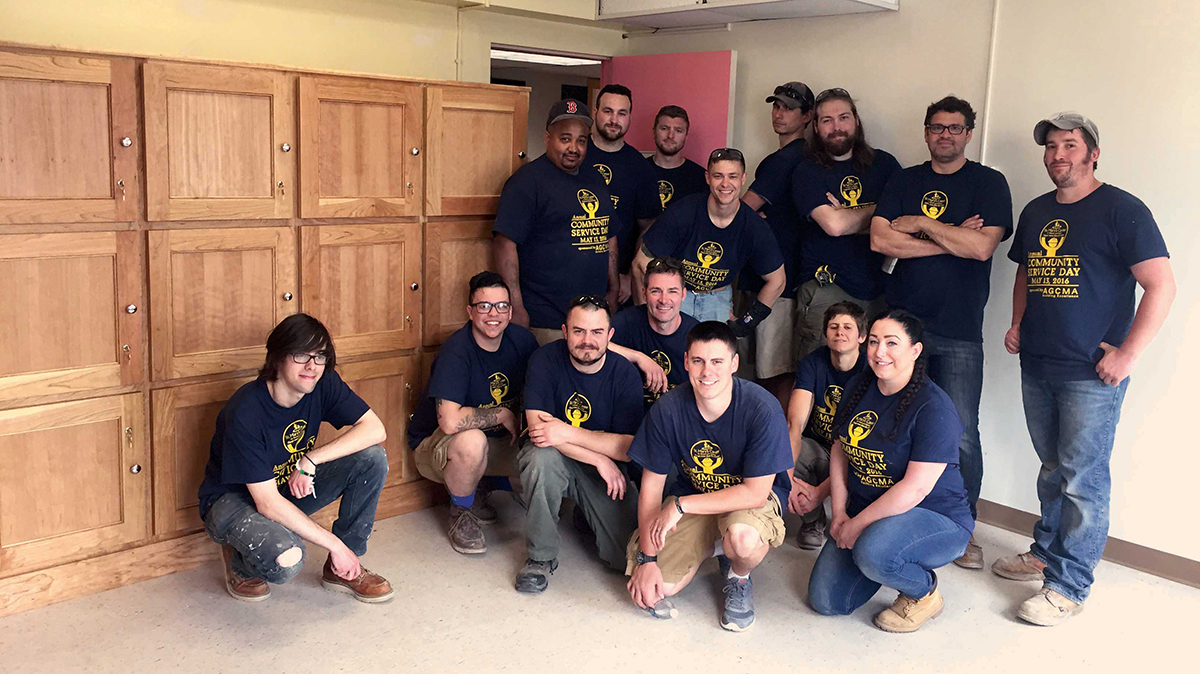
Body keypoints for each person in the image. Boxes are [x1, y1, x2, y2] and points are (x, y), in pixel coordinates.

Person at [997, 112, 1174, 626]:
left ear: (1092, 153)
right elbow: (1028, 272)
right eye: (1051, 146)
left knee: (1082, 480)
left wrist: (1128, 353)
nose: (1058, 155)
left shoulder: (1122, 210)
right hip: (1039, 364)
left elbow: (1162, 285)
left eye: (1069, 145)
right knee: (1053, 468)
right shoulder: (1035, 211)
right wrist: (1017, 322)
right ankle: (1045, 552)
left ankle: (1068, 585)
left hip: (1092, 374)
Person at [869, 95, 1014, 570]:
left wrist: (924, 225)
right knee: (893, 426)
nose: (945, 134)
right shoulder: (904, 179)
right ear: (926, 130)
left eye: (955, 128)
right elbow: (880, 238)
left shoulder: (989, 183)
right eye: (937, 126)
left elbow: (982, 248)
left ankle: (962, 529)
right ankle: (895, 517)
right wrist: (952, 237)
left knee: (961, 434)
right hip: (900, 330)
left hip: (958, 331)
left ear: (969, 133)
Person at [197, 314, 393, 603]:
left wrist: (310, 460)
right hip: (233, 502)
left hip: (283, 488)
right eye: (301, 355)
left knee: (372, 458)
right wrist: (334, 544)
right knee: (287, 558)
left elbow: (375, 430)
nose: (312, 366)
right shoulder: (246, 411)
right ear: (277, 357)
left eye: (320, 356)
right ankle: (241, 561)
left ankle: (343, 569)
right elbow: (266, 503)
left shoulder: (323, 383)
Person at [807, 310, 972, 633]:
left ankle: (923, 592)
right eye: (874, 342)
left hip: (934, 515)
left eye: (892, 343)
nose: (879, 352)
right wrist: (839, 513)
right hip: (868, 508)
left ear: (915, 351)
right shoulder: (859, 387)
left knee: (873, 551)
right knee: (827, 602)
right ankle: (883, 553)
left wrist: (857, 526)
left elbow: (914, 489)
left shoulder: (933, 407)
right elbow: (840, 450)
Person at [625, 321, 793, 632]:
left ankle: (738, 575)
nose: (707, 372)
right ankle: (712, 543)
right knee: (660, 588)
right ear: (686, 361)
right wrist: (647, 561)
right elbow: (650, 489)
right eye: (699, 361)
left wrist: (679, 507)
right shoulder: (668, 408)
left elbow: (755, 493)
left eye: (717, 362)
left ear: (734, 363)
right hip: (695, 495)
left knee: (742, 539)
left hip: (749, 503)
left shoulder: (762, 409)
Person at [516, 295, 646, 593]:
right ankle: (540, 557)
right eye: (579, 331)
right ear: (565, 331)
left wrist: (565, 432)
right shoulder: (544, 360)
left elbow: (628, 447)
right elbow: (538, 431)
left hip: (601, 469)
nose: (588, 341)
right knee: (540, 458)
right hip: (558, 457)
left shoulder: (624, 373)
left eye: (597, 332)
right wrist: (600, 457)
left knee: (623, 559)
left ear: (610, 336)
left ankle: (586, 517)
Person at [407, 271, 539, 554]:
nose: (494, 314)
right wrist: (501, 413)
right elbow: (451, 421)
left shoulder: (523, 342)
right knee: (472, 441)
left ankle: (481, 486)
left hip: (500, 441)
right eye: (484, 306)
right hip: (437, 446)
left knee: (544, 450)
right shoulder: (456, 351)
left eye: (502, 305)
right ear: (470, 311)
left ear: (511, 310)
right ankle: (461, 511)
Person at [493, 99, 619, 344]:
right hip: (546, 320)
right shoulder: (527, 182)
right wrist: (515, 306)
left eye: (581, 140)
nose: (574, 147)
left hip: (593, 320)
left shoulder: (595, 179)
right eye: (565, 138)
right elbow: (504, 244)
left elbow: (609, 235)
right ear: (547, 138)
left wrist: (613, 290)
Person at [792, 88, 900, 359]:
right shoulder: (807, 171)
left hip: (879, 291)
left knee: (873, 377)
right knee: (821, 377)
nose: (836, 127)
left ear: (856, 121)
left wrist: (854, 217)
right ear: (816, 126)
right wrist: (880, 214)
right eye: (827, 120)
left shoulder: (885, 165)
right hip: (828, 289)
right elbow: (834, 226)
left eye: (843, 117)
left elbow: (902, 222)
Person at [635, 148, 785, 329]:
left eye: (733, 176)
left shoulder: (754, 226)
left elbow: (777, 280)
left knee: (713, 356)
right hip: (677, 296)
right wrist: (648, 313)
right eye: (718, 176)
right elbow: (640, 263)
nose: (725, 183)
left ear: (743, 178)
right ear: (707, 178)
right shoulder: (683, 212)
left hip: (718, 300)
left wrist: (747, 322)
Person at [740, 81, 817, 404]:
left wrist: (747, 219)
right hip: (779, 276)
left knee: (773, 370)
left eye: (788, 108)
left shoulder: (786, 159)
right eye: (776, 106)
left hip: (775, 283)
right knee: (773, 367)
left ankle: (773, 438)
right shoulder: (804, 157)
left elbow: (741, 209)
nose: (779, 113)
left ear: (807, 117)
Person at [786, 301, 867, 550]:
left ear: (862, 336)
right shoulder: (813, 363)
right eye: (833, 327)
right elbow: (794, 424)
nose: (839, 332)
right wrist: (786, 478)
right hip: (820, 450)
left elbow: (856, 447)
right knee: (793, 454)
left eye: (847, 327)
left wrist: (820, 492)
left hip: (855, 456)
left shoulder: (870, 372)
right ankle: (812, 521)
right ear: (825, 334)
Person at [589, 84, 662, 304]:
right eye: (608, 111)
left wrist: (631, 276)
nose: (614, 120)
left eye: (622, 113)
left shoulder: (640, 168)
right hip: (569, 274)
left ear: (630, 117)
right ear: (596, 112)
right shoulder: (576, 155)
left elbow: (648, 226)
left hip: (618, 283)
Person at [610, 256, 700, 409]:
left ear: (683, 294)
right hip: (630, 419)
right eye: (656, 291)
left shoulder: (696, 335)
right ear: (644, 293)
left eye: (672, 291)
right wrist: (638, 357)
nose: (664, 300)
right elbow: (592, 343)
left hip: (677, 421)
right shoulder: (627, 322)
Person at [647, 105, 708, 210]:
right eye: (664, 128)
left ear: (686, 135)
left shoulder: (700, 178)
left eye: (678, 130)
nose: (670, 136)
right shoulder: (637, 171)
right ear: (654, 131)